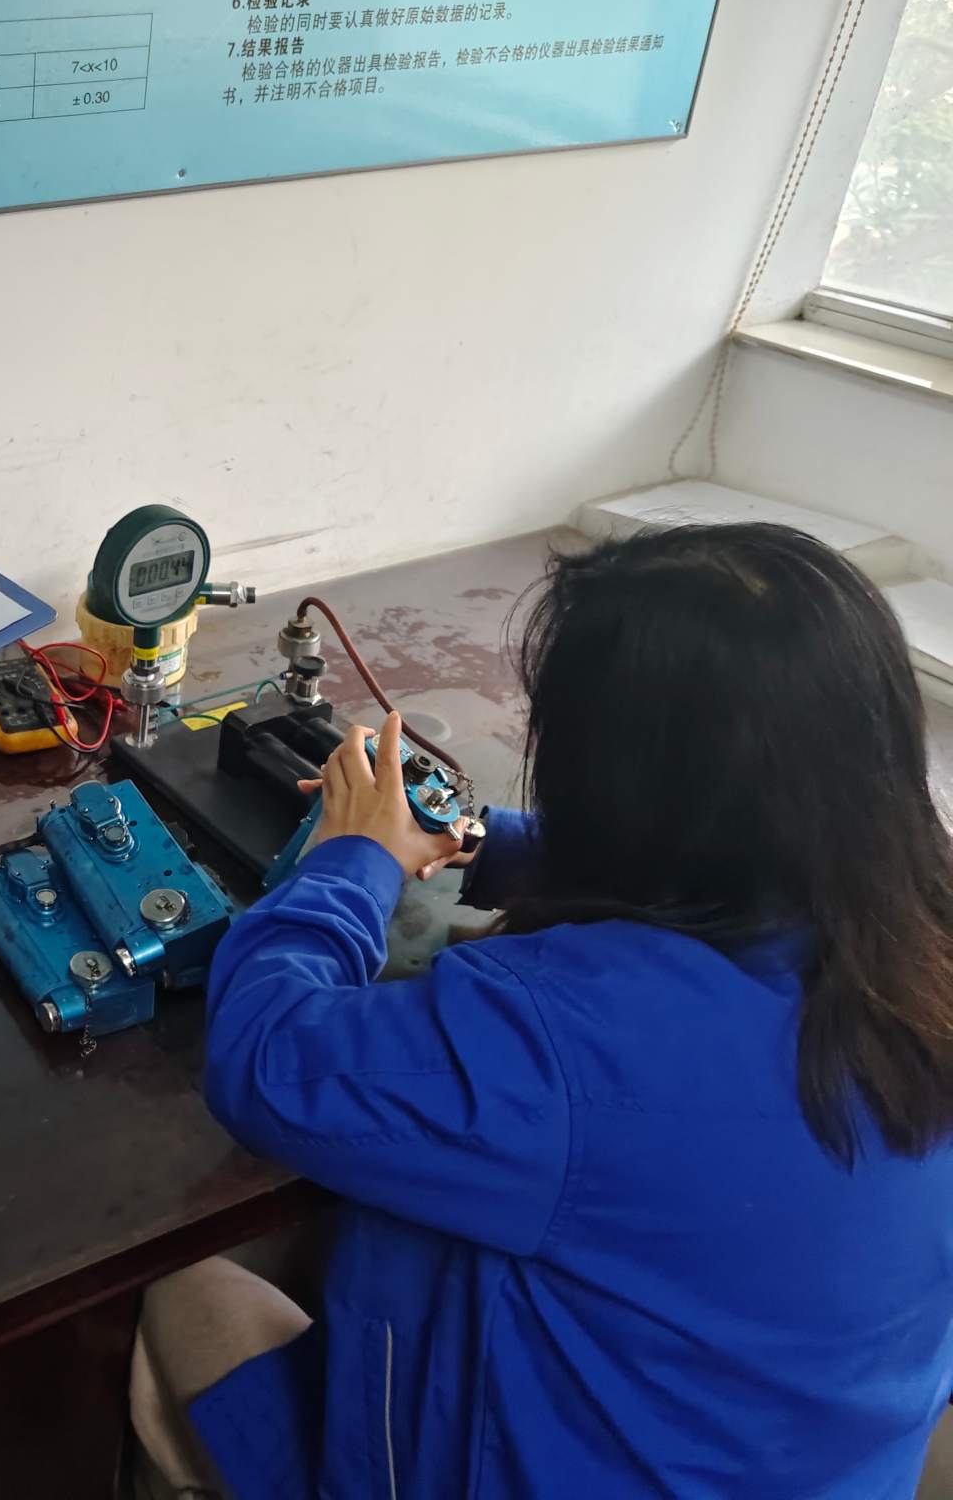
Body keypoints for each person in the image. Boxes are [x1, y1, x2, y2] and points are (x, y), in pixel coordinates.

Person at [135, 524, 953, 1498]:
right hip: (816, 1465)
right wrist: (481, 839)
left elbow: (264, 1054)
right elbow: (742, 869)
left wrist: (349, 861)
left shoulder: (570, 1042)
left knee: (175, 1293)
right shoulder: (915, 928)